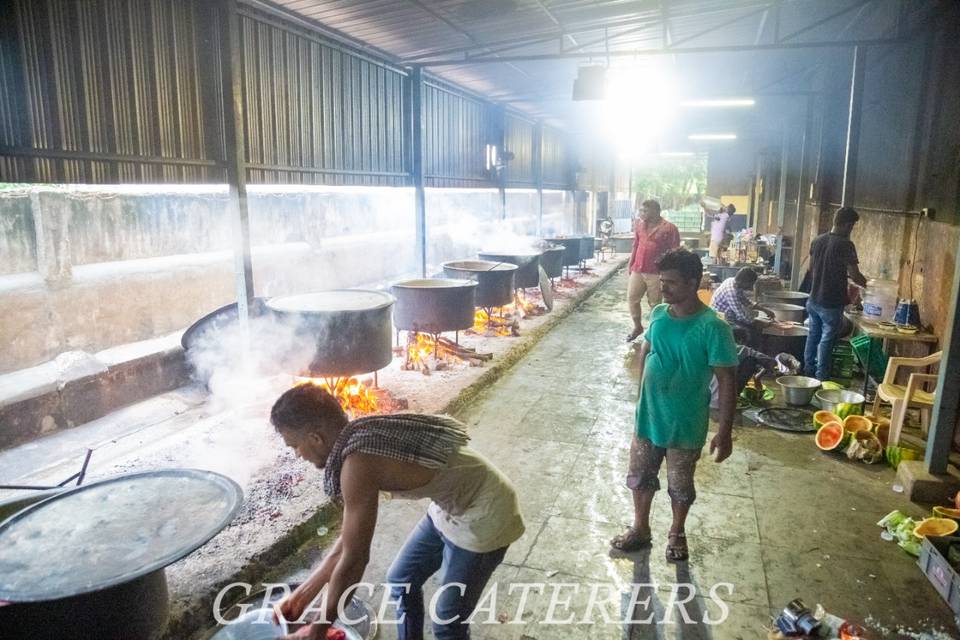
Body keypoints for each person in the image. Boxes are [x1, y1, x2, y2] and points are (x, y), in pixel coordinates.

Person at [269, 384, 525, 640]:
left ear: (316, 438)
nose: (297, 455)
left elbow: (355, 559)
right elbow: (349, 542)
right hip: (450, 505)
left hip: (486, 513)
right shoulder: (354, 437)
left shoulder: (358, 463)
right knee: (401, 581)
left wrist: (316, 631)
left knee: (447, 623)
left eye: (295, 446)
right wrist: (303, 595)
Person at [611, 248, 739, 562]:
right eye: (662, 280)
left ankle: (676, 533)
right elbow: (647, 351)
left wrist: (725, 432)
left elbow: (727, 381)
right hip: (648, 418)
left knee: (680, 486)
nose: (662, 287)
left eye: (670, 282)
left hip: (685, 422)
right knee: (640, 477)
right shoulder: (657, 315)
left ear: (692, 282)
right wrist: (642, 395)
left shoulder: (713, 328)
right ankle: (640, 529)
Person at [803, 207, 867, 380]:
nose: (851, 230)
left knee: (813, 334)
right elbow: (855, 275)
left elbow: (810, 268)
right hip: (831, 301)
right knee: (827, 339)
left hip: (813, 298)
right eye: (852, 226)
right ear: (847, 225)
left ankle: (808, 371)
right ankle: (821, 377)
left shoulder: (817, 240)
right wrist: (870, 286)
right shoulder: (846, 245)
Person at [626, 198, 680, 342]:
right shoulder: (639, 225)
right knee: (632, 299)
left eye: (645, 211)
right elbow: (635, 245)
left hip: (657, 272)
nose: (641, 213)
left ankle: (654, 334)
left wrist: (671, 273)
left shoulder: (669, 228)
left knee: (655, 304)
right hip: (638, 268)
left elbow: (675, 251)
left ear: (656, 211)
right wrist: (630, 264)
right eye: (641, 210)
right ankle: (637, 326)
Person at [709, 267, 774, 346]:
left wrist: (765, 310)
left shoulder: (734, 282)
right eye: (750, 284)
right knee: (747, 332)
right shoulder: (731, 292)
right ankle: (747, 353)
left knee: (752, 328)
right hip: (720, 319)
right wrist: (758, 323)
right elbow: (741, 316)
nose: (751, 287)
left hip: (729, 315)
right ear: (744, 282)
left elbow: (745, 301)